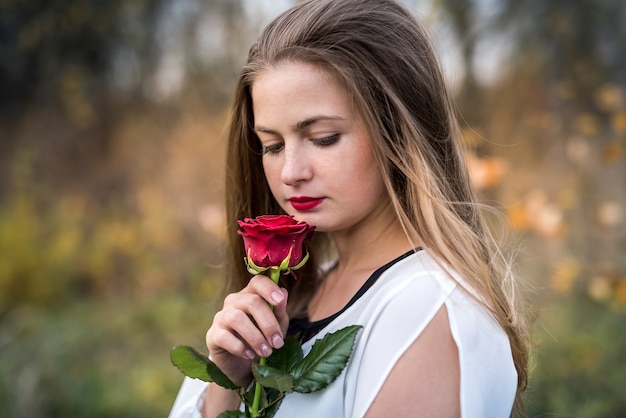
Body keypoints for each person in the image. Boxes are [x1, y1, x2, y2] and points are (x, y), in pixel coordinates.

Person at [169, 0, 529, 416]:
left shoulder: (427, 312)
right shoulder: (296, 294)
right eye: (272, 145)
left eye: (323, 137)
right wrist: (228, 384)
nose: (290, 172)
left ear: (398, 130)